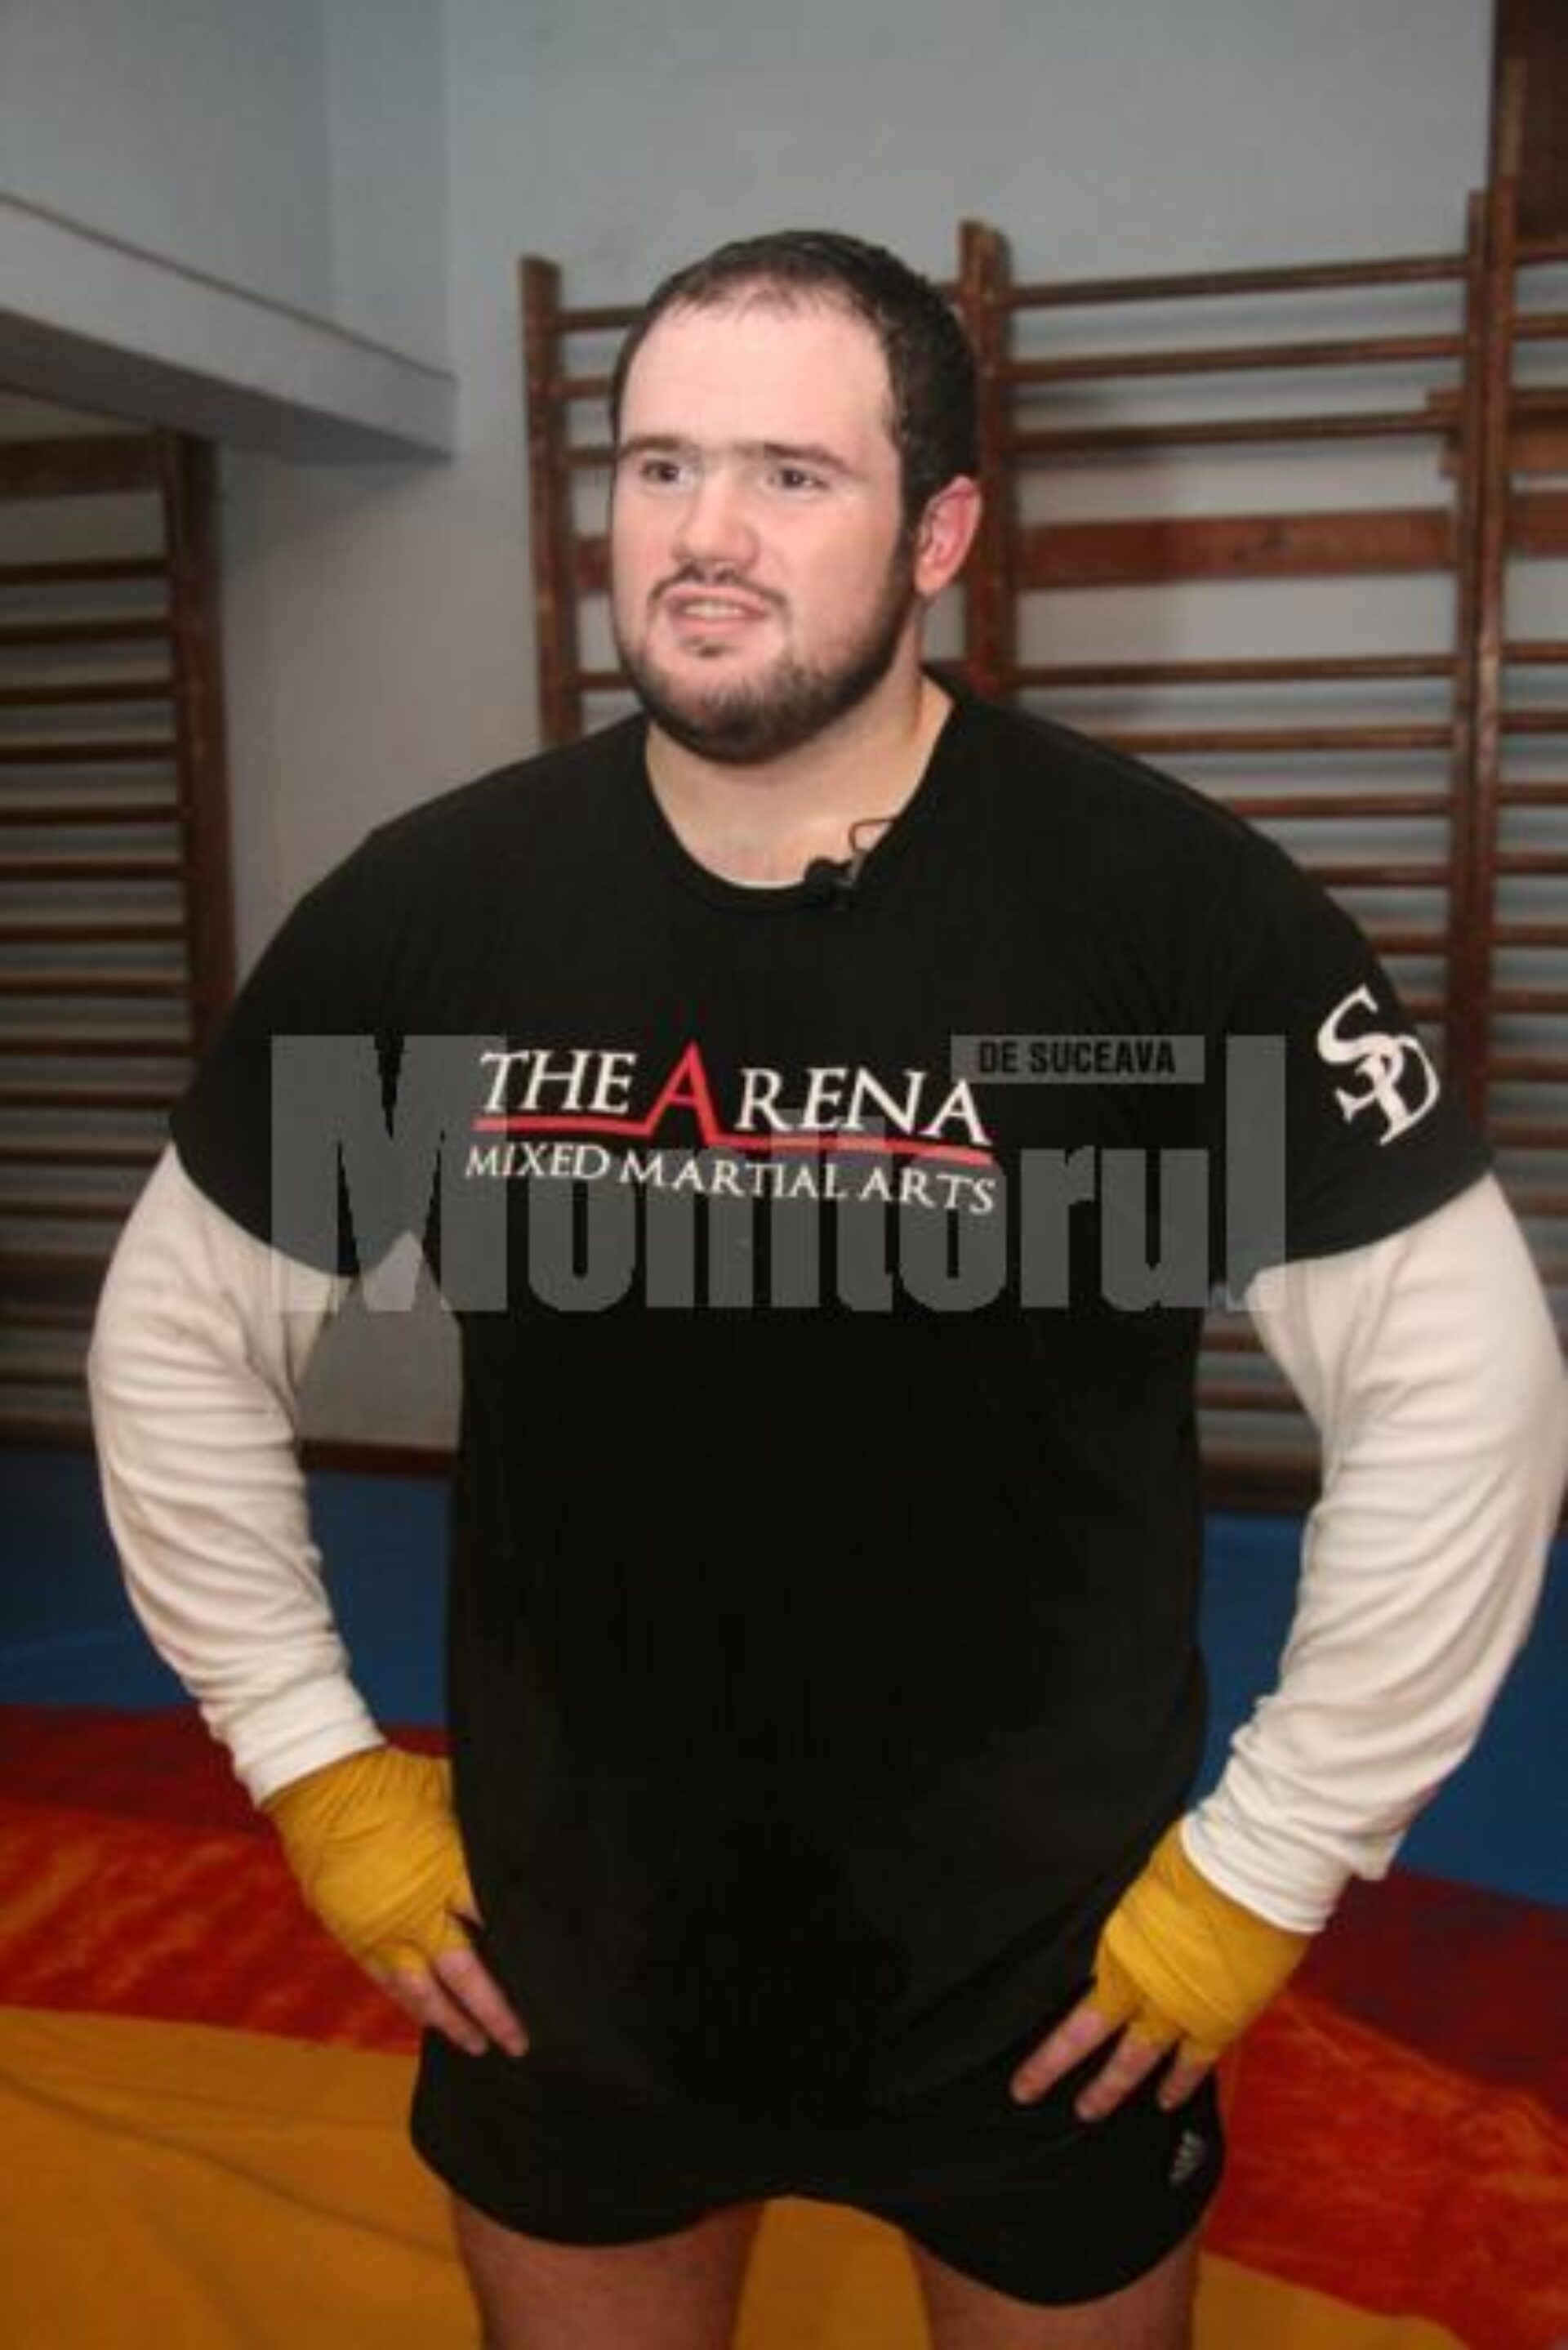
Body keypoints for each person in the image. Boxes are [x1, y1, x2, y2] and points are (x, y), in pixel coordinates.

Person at [88, 230, 1566, 2350]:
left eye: (792, 474)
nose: (706, 533)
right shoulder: (449, 915)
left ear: (939, 533)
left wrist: (1272, 1861)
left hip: (1052, 1995)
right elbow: (179, 1333)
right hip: (569, 1965)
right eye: (660, 466)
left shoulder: (1158, 918)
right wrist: (311, 1761)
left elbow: (1464, 1389)